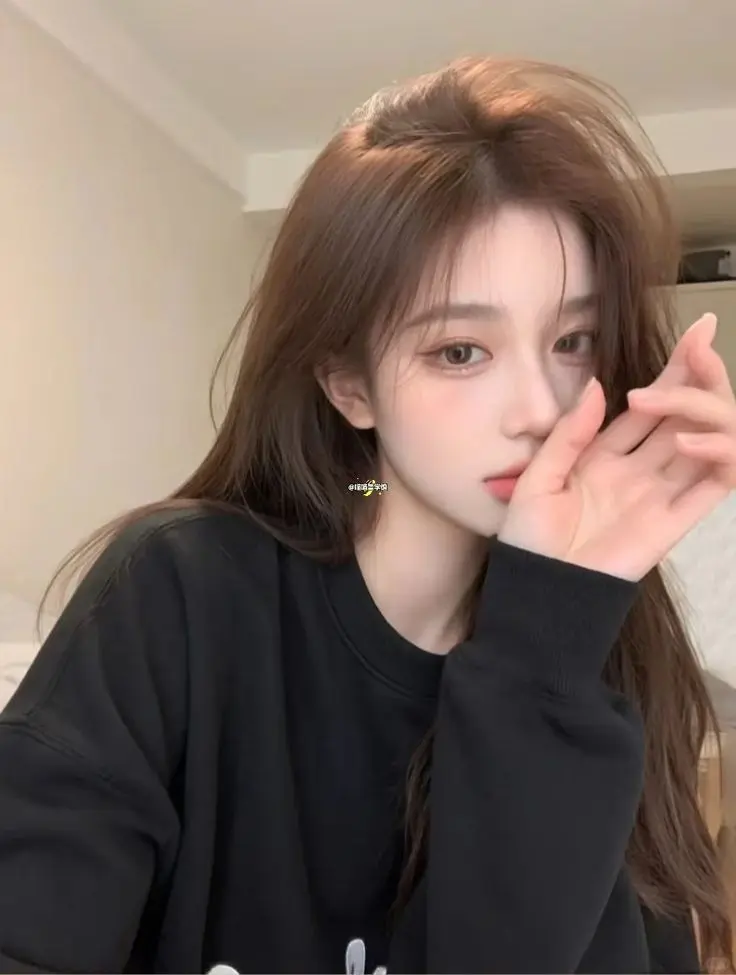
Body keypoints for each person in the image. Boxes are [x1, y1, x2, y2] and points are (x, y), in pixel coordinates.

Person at [1, 56, 735, 975]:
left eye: (571, 340)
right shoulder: (185, 591)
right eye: (461, 350)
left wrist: (547, 644)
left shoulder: (612, 652)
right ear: (349, 384)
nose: (541, 409)